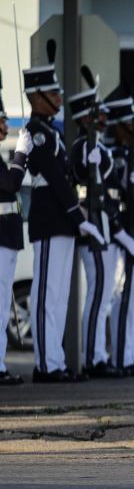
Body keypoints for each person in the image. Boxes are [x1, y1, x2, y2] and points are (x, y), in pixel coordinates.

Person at [25, 41, 104, 383]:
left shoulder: (52, 133)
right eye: (53, 93)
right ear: (36, 96)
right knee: (45, 296)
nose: (59, 98)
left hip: (61, 222)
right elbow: (56, 180)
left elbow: (70, 176)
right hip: (48, 219)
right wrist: (79, 217)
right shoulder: (36, 133)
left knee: (58, 298)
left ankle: (55, 361)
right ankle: (45, 365)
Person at [68, 70, 131, 379]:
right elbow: (82, 184)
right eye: (98, 114)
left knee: (104, 294)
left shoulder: (98, 147)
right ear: (85, 117)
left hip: (105, 226)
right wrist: (86, 166)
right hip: (93, 226)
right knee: (98, 294)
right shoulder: (82, 146)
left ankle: (98, 354)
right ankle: (92, 357)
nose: (104, 119)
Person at [106, 93, 134, 376]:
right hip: (121, 233)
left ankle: (129, 356)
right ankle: (119, 358)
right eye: (130, 123)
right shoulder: (114, 155)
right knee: (122, 298)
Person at [0, 69, 33, 386]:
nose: (4, 126)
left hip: (7, 237)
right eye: (1, 121)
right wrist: (21, 154)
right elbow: (10, 184)